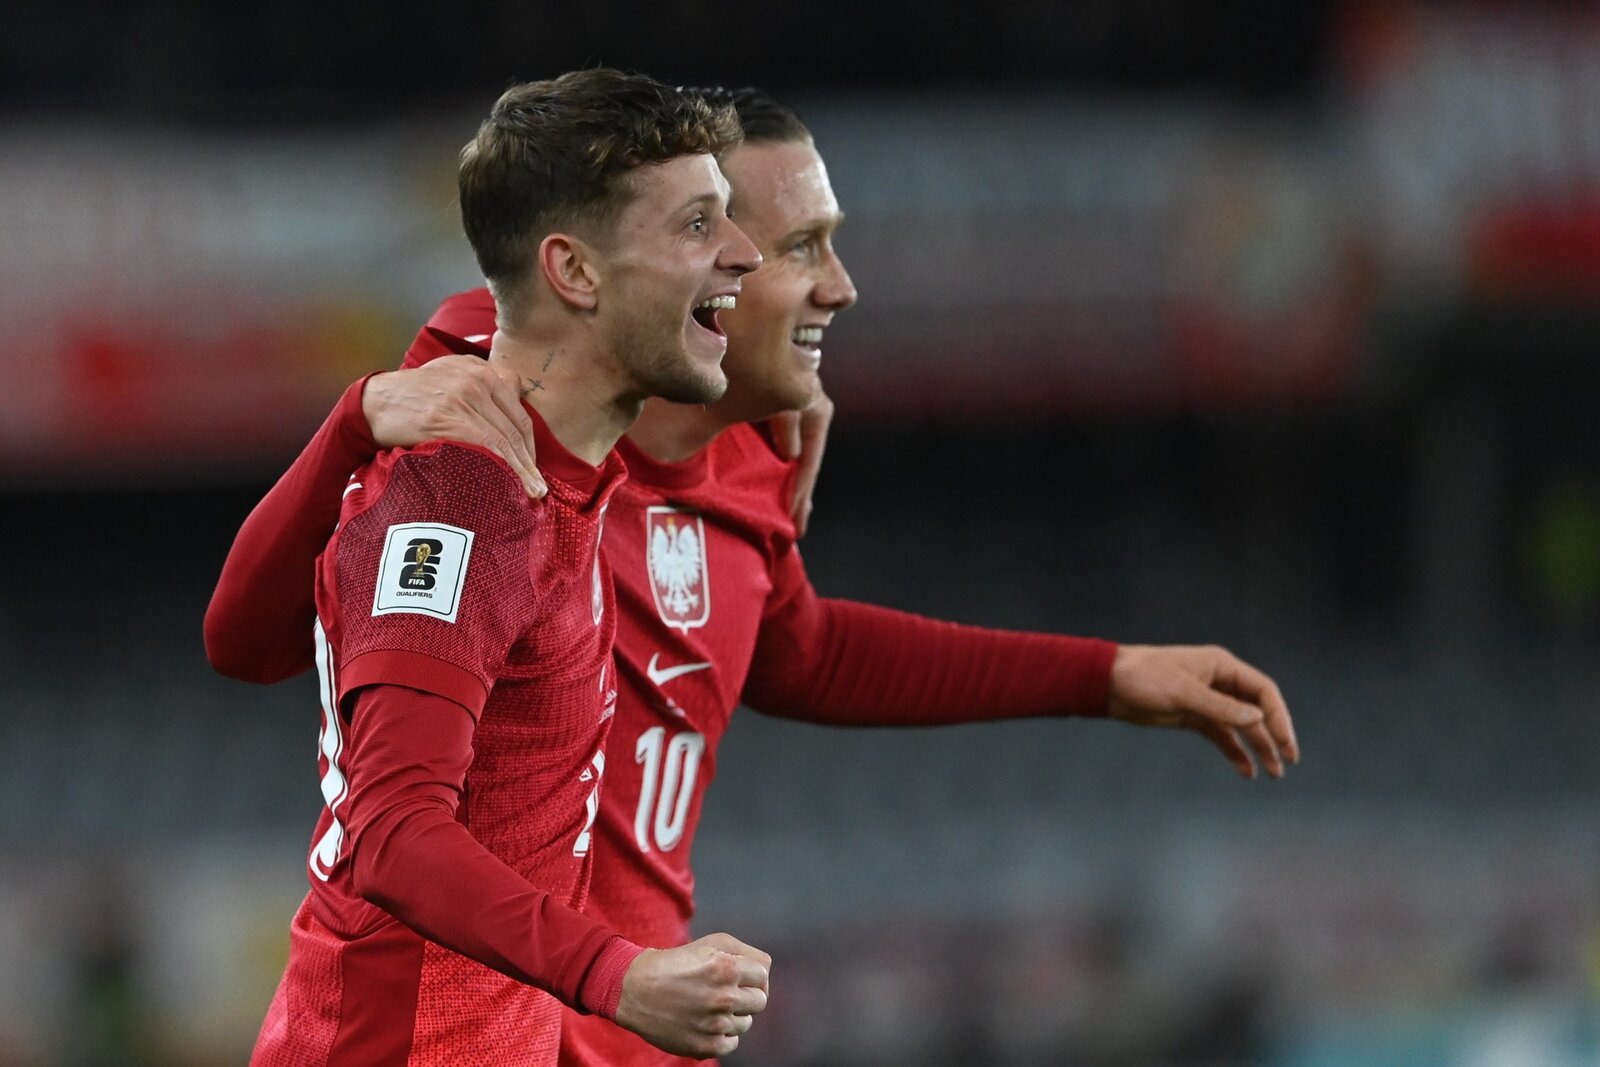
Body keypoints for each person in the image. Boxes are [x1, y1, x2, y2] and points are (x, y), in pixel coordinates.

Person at [209, 87, 1298, 1066]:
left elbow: (799, 652)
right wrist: (360, 412)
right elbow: (356, 773)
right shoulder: (480, 439)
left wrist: (1103, 673)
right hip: (489, 1022)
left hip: (598, 1030)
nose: (837, 285)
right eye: (785, 243)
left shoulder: (709, 460)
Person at [243, 70, 773, 1066]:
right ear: (574, 271)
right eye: (697, 224)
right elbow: (394, 833)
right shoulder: (468, 498)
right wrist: (618, 975)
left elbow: (241, 640)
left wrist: (352, 418)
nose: (742, 252)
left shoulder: (501, 394)